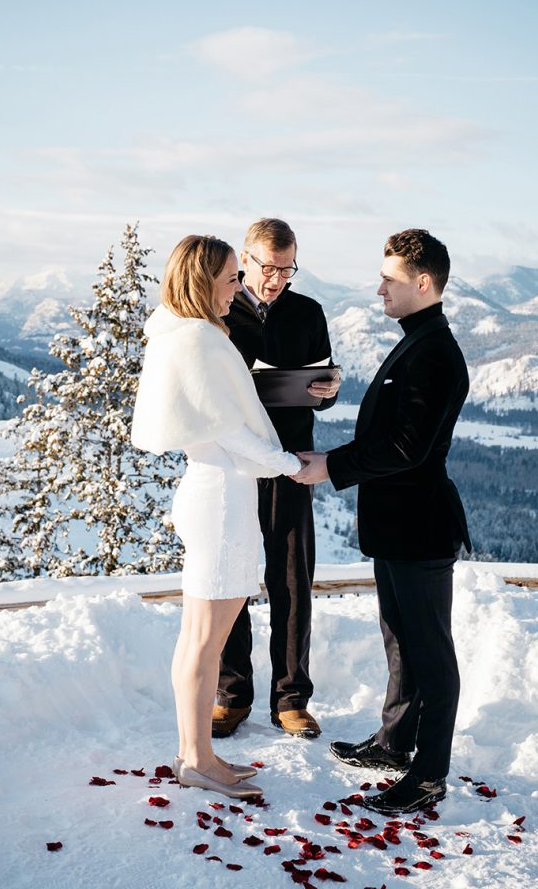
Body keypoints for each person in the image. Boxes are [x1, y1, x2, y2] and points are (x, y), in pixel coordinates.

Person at [293, 228, 471, 814]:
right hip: (396, 525)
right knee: (401, 642)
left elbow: (406, 447)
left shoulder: (436, 351)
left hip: (420, 526)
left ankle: (428, 775)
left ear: (423, 283)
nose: (379, 289)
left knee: (430, 651)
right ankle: (395, 744)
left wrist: (332, 466)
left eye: (389, 280)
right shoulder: (415, 341)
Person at [131, 234, 302, 800]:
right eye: (231, 278)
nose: (238, 288)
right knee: (205, 642)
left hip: (212, 494)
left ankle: (191, 752)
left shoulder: (181, 333)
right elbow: (228, 428)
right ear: (203, 280)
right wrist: (286, 464)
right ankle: (201, 759)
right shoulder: (200, 340)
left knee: (195, 639)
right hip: (223, 500)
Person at [213, 218, 340, 741]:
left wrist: (327, 389)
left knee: (292, 580)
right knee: (231, 579)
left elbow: (324, 382)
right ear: (246, 258)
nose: (276, 280)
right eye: (268, 268)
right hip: (234, 464)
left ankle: (291, 699)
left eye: (287, 270)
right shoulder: (218, 309)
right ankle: (231, 694)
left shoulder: (308, 311)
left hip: (290, 463)